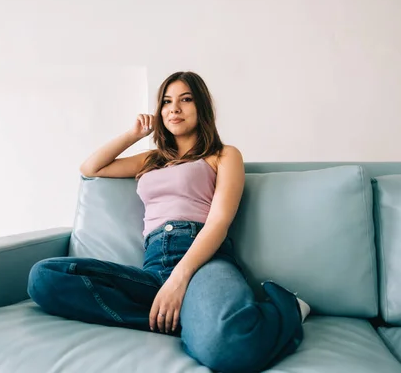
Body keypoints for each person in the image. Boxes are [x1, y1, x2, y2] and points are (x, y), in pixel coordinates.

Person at [27, 71, 310, 373]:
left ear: (202, 107)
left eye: (185, 100)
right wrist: (134, 135)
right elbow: (91, 167)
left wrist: (179, 279)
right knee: (44, 277)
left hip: (204, 262)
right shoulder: (152, 159)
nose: (174, 108)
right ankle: (183, 320)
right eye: (166, 102)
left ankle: (288, 308)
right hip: (154, 271)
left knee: (226, 350)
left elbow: (219, 222)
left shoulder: (223, 155)